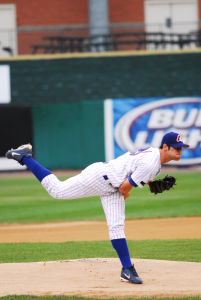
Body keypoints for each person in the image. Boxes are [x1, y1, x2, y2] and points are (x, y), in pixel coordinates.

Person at [5, 131, 189, 284]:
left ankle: (127, 269)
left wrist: (148, 184)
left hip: (113, 186)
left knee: (116, 227)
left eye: (182, 148)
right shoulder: (152, 163)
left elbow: (132, 174)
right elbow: (126, 188)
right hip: (100, 178)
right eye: (177, 148)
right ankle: (25, 157)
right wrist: (134, 189)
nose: (180, 151)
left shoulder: (154, 160)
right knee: (58, 190)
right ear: (166, 147)